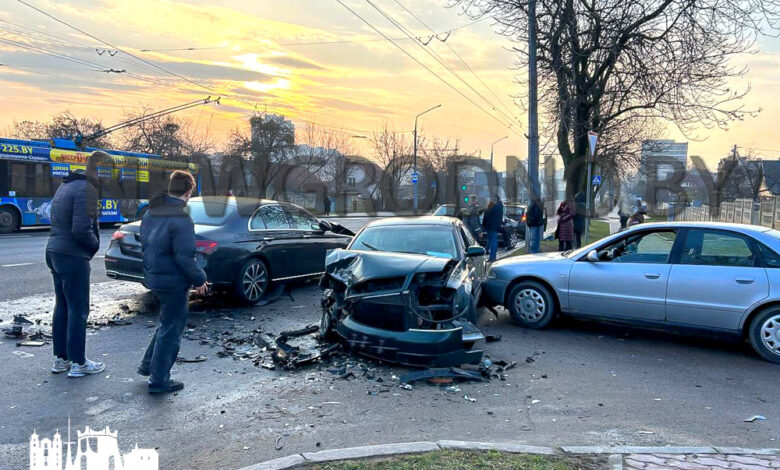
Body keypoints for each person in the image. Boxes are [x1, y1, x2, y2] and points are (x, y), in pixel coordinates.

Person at [139, 170, 208, 394]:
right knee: (171, 330)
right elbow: (185, 256)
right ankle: (159, 381)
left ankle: (148, 366)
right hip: (173, 282)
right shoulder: (182, 218)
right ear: (188, 192)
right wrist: (200, 279)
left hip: (154, 276)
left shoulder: (151, 213)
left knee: (166, 324)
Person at [45, 151, 106, 378]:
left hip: (54, 251)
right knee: (78, 309)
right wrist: (93, 247)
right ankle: (79, 363)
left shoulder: (66, 185)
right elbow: (81, 229)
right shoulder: (86, 189)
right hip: (72, 255)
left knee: (62, 306)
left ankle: (61, 359)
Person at [482, 194, 504, 262]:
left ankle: (492, 257)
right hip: (493, 226)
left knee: (493, 241)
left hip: (492, 226)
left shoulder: (495, 206)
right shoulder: (498, 206)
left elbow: (489, 214)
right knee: (492, 241)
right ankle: (491, 256)